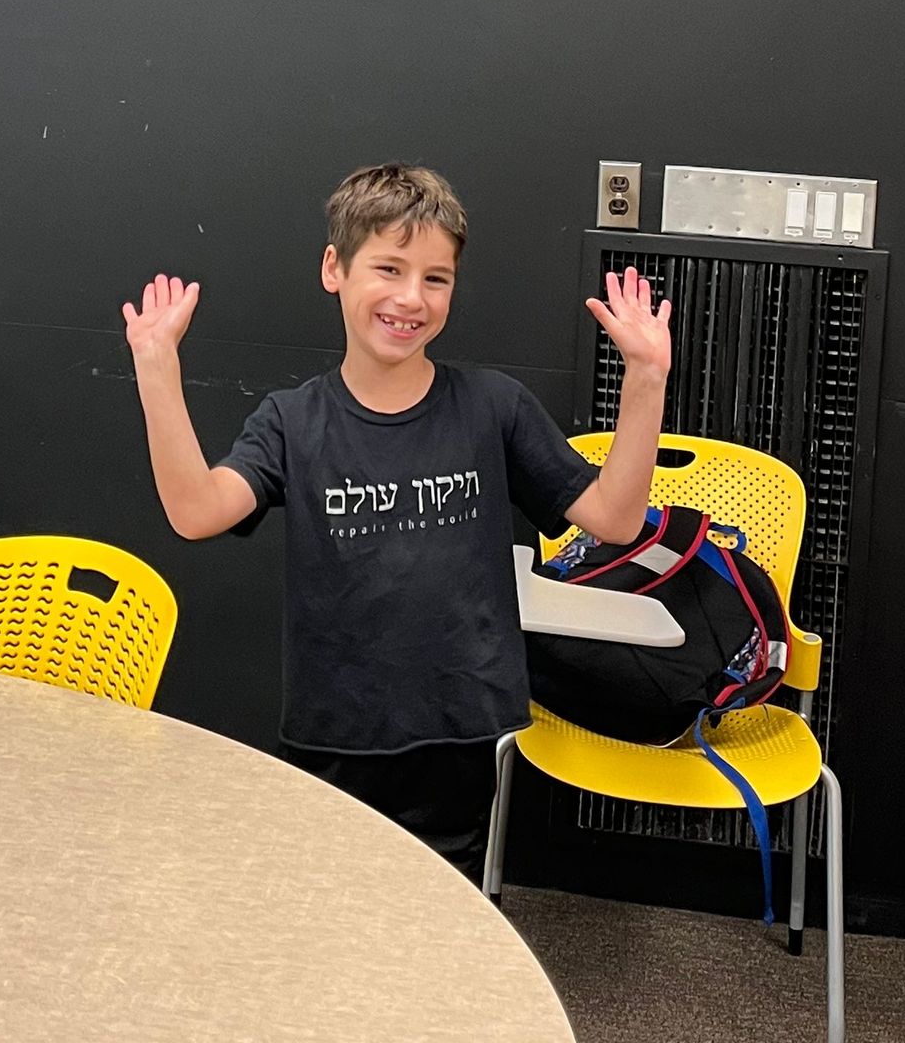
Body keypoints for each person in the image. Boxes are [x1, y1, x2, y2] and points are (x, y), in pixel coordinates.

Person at [122, 161, 671, 884]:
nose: (411, 298)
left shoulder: (492, 406)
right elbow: (196, 512)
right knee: (334, 921)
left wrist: (647, 378)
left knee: (445, 928)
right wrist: (157, 369)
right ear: (335, 268)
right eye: (388, 267)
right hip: (336, 731)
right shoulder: (293, 421)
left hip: (458, 728)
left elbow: (616, 518)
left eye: (435, 278)